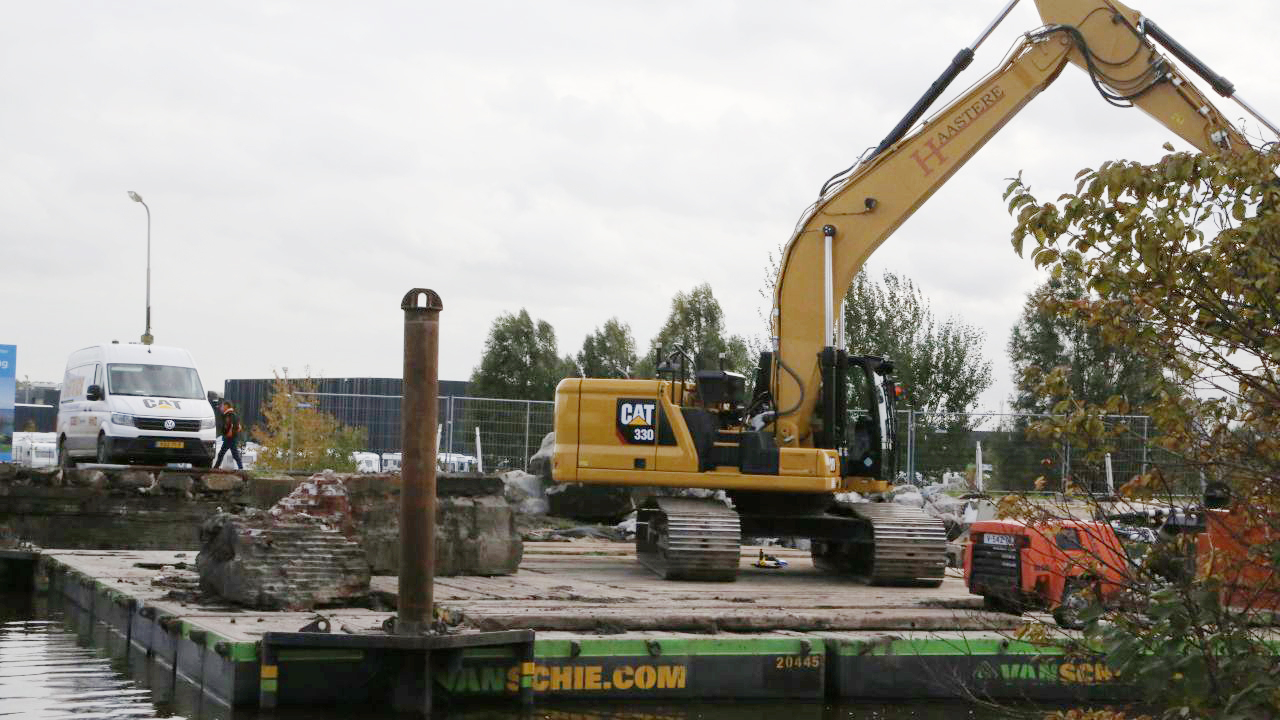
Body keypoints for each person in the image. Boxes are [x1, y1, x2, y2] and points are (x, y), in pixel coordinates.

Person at [214, 401, 243, 470]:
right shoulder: (231, 414)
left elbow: (232, 425)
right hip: (229, 438)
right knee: (223, 453)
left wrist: (230, 432)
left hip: (230, 438)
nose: (221, 408)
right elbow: (239, 427)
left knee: (233, 454)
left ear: (226, 406)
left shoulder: (229, 415)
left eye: (222, 406)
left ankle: (241, 468)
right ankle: (216, 467)